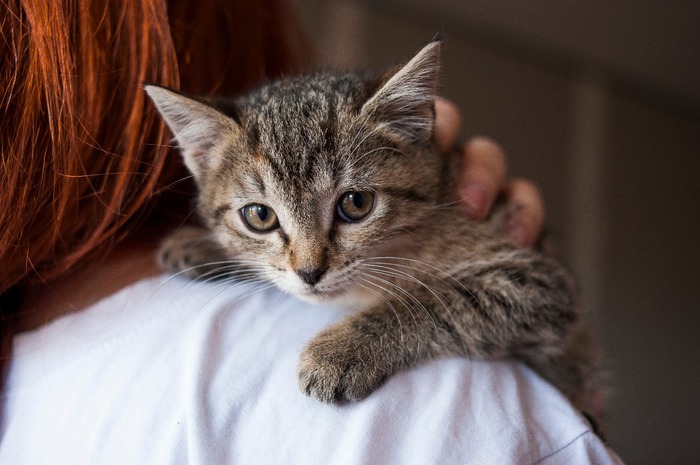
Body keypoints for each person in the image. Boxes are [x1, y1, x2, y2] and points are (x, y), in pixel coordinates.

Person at [0, 0, 623, 463]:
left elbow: (544, 300)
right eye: (262, 217)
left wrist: (380, 334)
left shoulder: (455, 215)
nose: (308, 263)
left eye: (353, 205)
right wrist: (233, 256)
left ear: (413, 135)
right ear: (198, 159)